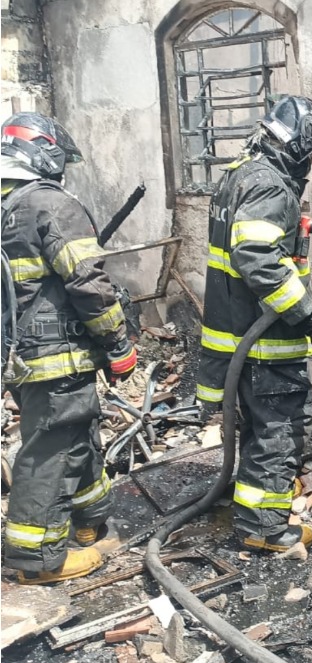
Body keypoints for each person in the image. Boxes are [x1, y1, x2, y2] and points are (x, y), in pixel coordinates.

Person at [1, 112, 137, 584]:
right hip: (56, 352)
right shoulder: (49, 203)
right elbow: (87, 282)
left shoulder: (8, 204)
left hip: (21, 354)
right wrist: (118, 342)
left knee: (76, 432)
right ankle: (36, 560)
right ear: (46, 154)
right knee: (52, 446)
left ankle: (88, 522)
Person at [195, 95, 312, 552]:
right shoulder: (270, 186)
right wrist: (305, 311)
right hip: (265, 340)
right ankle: (266, 529)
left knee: (257, 427)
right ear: (295, 146)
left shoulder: (237, 175)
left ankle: (251, 510)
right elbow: (257, 257)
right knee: (279, 429)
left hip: (238, 339)